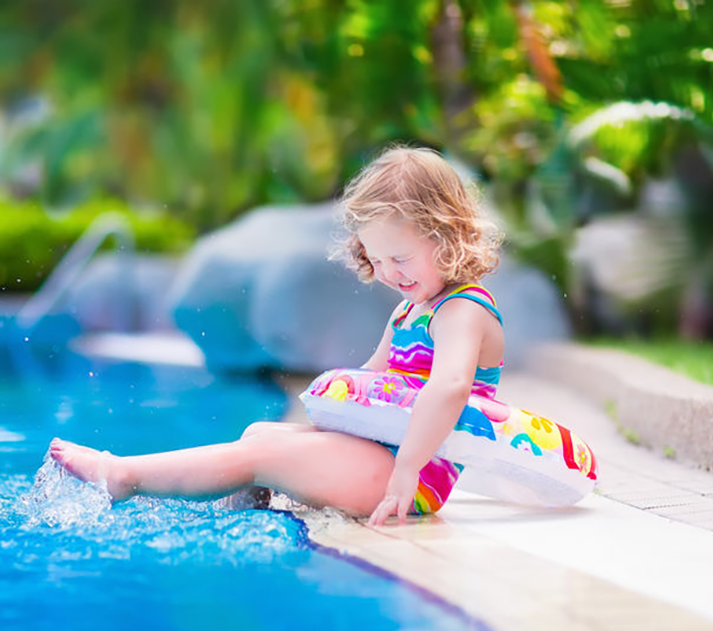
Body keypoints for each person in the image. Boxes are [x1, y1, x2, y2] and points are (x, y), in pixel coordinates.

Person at [50, 146, 503, 526]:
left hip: (413, 476)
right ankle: (228, 526)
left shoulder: (462, 310)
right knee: (258, 433)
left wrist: (406, 470)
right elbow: (373, 378)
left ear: (445, 235)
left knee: (260, 458)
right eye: (377, 259)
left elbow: (449, 387)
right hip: (382, 457)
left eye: (398, 258)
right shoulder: (410, 312)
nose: (387, 273)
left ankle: (121, 474)